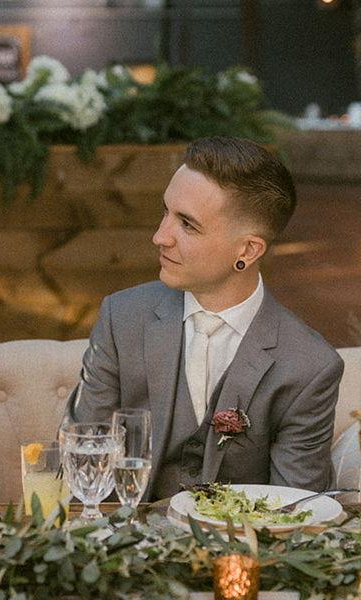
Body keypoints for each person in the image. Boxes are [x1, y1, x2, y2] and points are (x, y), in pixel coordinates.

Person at [68, 136, 342, 501]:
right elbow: (82, 467)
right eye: (165, 212)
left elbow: (294, 509)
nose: (160, 237)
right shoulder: (122, 319)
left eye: (187, 225)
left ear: (248, 249)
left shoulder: (310, 367)